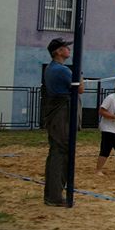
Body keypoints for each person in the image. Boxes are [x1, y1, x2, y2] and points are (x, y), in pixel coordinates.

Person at [42, 38, 84, 206]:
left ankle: (52, 195)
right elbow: (80, 88)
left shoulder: (52, 69)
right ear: (58, 52)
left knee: (56, 152)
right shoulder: (61, 70)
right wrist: (80, 75)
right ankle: (54, 197)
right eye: (65, 47)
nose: (68, 49)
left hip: (57, 115)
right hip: (61, 116)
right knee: (61, 153)